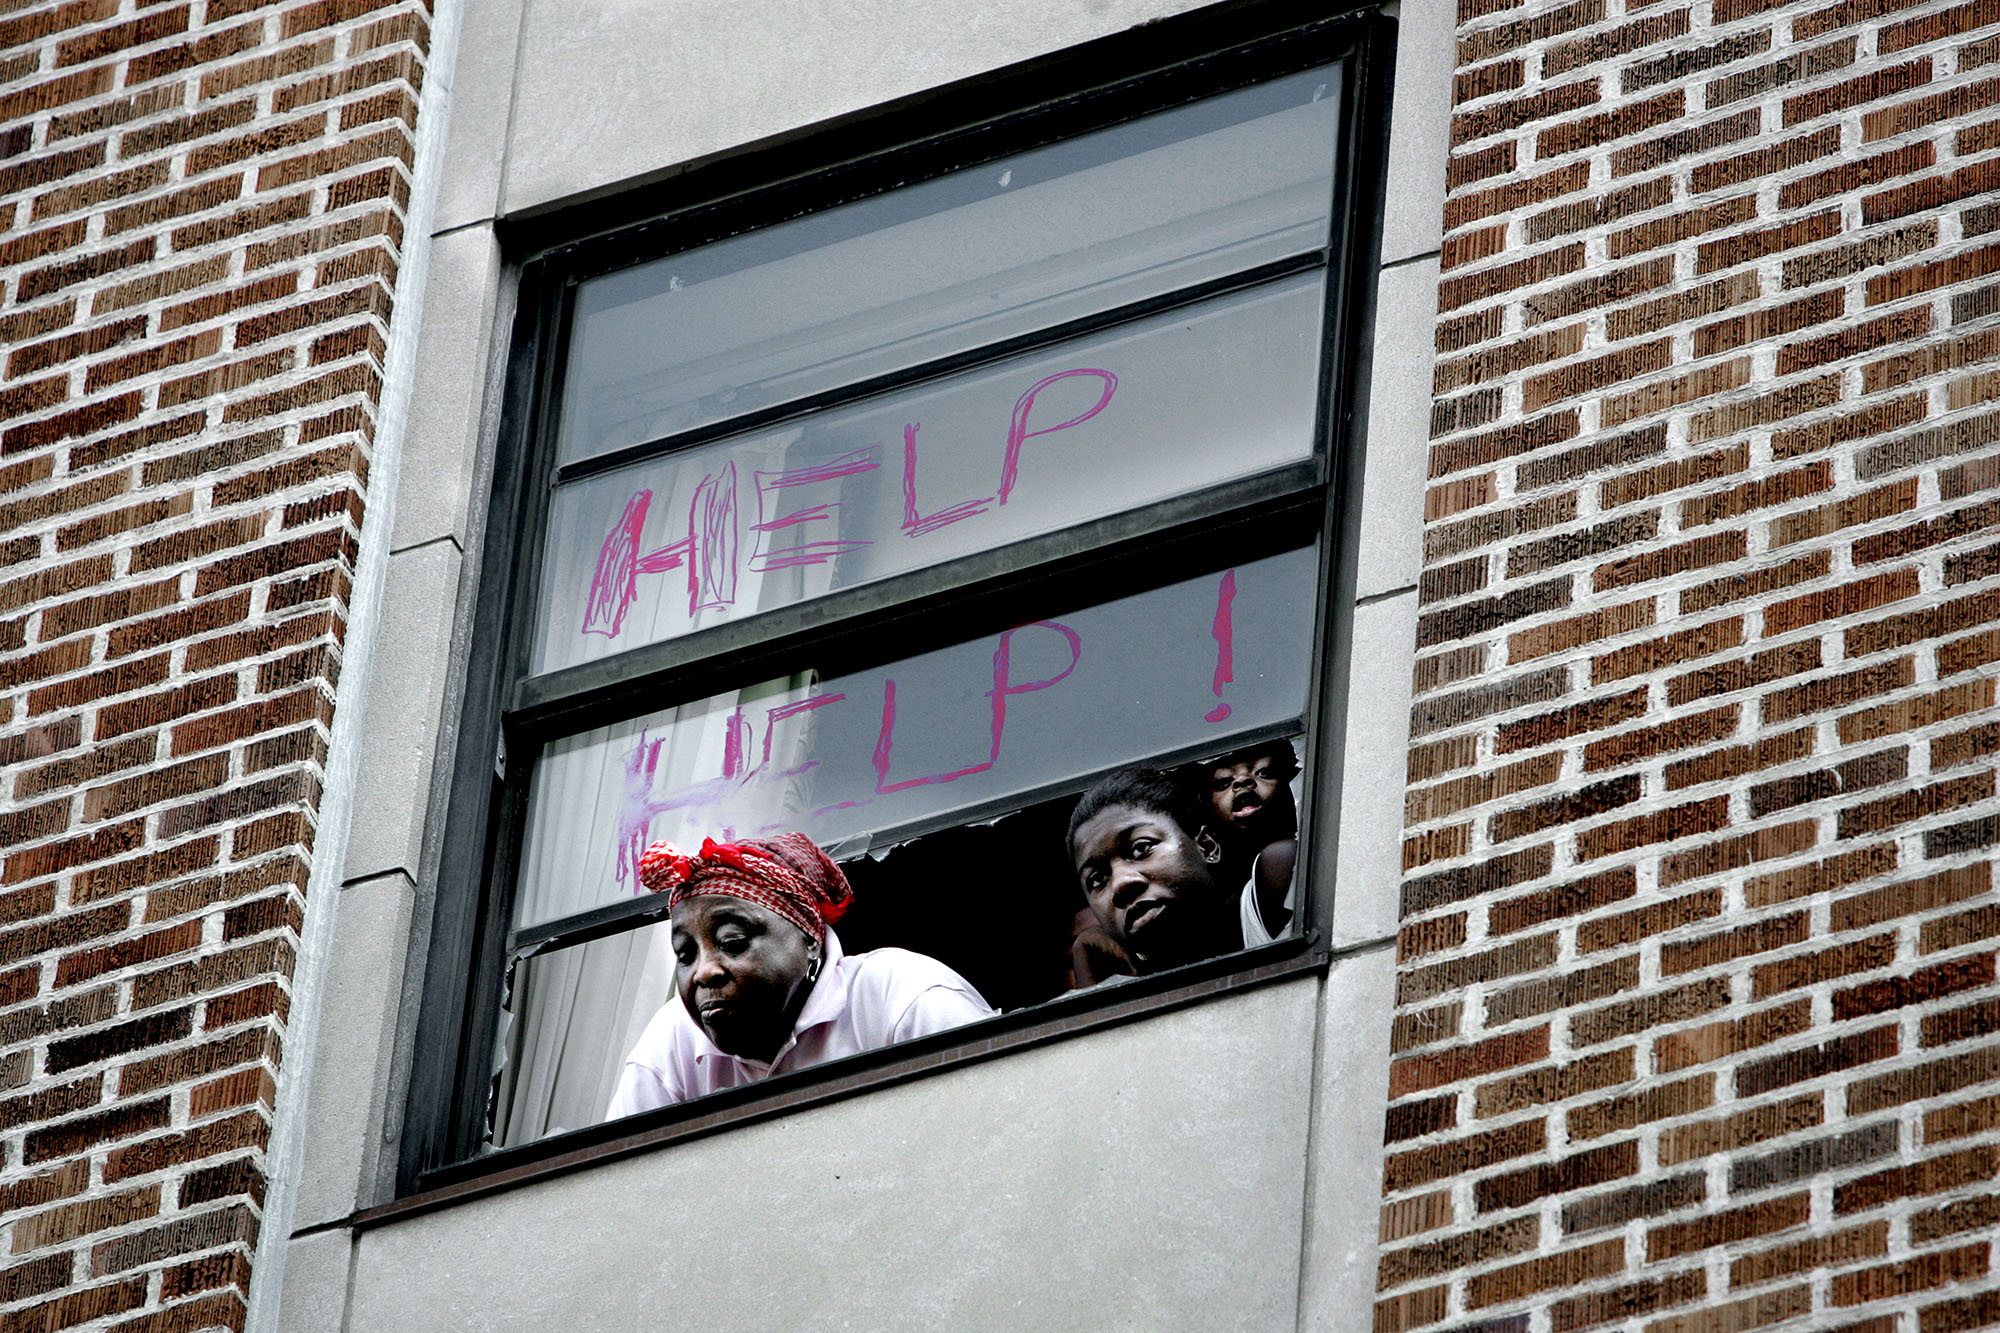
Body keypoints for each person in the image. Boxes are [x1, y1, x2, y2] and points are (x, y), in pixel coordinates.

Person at [607, 831, 994, 1116]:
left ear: (810, 938)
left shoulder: (900, 994)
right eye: (685, 954)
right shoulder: (671, 1042)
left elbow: (993, 1114)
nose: (704, 972)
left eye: (732, 941)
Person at [1066, 766, 1242, 976]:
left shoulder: (1267, 890)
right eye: (1097, 880)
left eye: (1141, 848)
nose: (1120, 883)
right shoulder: (1119, 974)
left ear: (1206, 847)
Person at [1198, 741, 1300, 947]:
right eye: (1223, 782)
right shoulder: (1210, 907)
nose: (1243, 781)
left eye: (1264, 773)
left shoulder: (1283, 857)